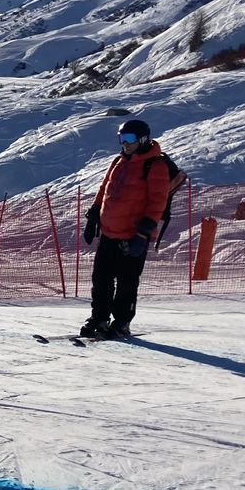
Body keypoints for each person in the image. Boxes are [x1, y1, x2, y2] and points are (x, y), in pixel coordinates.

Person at [80, 117, 170, 339]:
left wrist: (142, 234)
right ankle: (99, 318)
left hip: (132, 237)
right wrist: (93, 216)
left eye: (129, 138)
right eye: (121, 138)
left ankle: (121, 323)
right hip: (109, 232)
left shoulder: (155, 166)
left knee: (126, 284)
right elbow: (104, 189)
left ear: (142, 139)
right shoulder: (118, 162)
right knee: (101, 279)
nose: (124, 143)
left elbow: (157, 202)